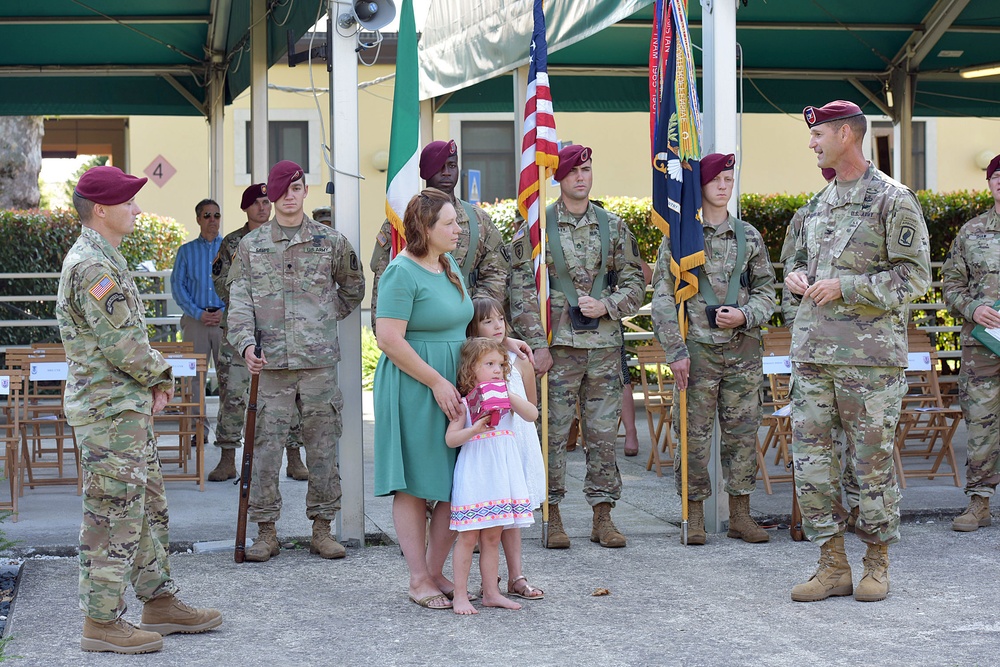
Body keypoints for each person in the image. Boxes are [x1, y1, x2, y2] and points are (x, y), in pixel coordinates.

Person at [57, 165, 222, 655]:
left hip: (123, 410)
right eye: (129, 201)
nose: (137, 208)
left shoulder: (106, 256)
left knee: (146, 507)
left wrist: (148, 386)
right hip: (109, 413)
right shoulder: (91, 266)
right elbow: (125, 344)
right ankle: (102, 621)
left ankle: (158, 600)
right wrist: (161, 376)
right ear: (102, 210)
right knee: (113, 513)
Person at [785, 100, 931, 603]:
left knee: (869, 465)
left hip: (868, 363)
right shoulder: (817, 204)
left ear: (846, 134)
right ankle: (832, 565)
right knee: (811, 462)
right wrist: (797, 277)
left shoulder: (893, 199)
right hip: (814, 357)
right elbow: (796, 265)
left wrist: (845, 287)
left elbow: (915, 277)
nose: (812, 143)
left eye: (818, 134)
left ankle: (876, 563)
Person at [226, 160, 365, 562]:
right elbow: (239, 303)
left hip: (318, 364)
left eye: (298, 187)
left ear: (306, 191)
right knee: (265, 450)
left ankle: (322, 529)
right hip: (269, 367)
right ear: (270, 194)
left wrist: (322, 319)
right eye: (282, 188)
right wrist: (245, 345)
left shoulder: (331, 242)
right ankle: (266, 532)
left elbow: (353, 288)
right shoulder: (250, 247)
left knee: (322, 448)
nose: (290, 195)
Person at [509, 144, 645, 549]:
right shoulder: (537, 228)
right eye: (573, 172)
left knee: (604, 435)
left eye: (587, 170)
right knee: (550, 435)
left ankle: (603, 517)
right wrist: (537, 345)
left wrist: (609, 304)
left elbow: (636, 283)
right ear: (558, 178)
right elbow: (521, 290)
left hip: (603, 347)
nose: (582, 178)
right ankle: (552, 515)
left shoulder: (614, 226)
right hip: (558, 350)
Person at [651, 153, 776, 546]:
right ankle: (694, 515)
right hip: (698, 352)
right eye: (716, 180)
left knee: (742, 435)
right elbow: (662, 297)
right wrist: (676, 350)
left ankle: (740, 514)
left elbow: (769, 292)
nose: (724, 186)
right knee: (693, 436)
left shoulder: (748, 235)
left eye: (729, 178)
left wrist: (746, 315)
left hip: (742, 352)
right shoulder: (681, 236)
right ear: (700, 186)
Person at [373, 188, 472, 611]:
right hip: (415, 385)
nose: (457, 229)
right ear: (424, 229)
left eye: (457, 222)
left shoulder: (449, 265)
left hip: (454, 383)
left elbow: (462, 324)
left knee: (457, 481)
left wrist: (507, 344)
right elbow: (388, 338)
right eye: (449, 224)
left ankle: (434, 571)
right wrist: (435, 381)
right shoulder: (401, 271)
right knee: (414, 484)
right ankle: (417, 579)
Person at [208, 184, 308, 483]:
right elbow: (222, 283)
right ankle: (227, 457)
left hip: (280, 330)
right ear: (245, 208)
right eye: (256, 203)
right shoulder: (233, 242)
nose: (263, 208)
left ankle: (294, 456)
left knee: (289, 394)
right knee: (233, 394)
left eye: (267, 202)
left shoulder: (289, 237)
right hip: (239, 331)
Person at [369, 139, 509, 330]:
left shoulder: (478, 219)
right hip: (421, 323)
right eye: (439, 166)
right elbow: (384, 274)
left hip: (470, 322)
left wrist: (479, 311)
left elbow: (497, 270)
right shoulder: (403, 221)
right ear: (426, 171)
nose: (446, 172)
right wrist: (382, 328)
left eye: (452, 165)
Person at [447, 337, 538, 615]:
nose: (497, 369)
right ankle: (460, 595)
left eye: (500, 364)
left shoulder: (508, 397)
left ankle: (491, 592)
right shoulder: (464, 402)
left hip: (502, 474)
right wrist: (474, 429)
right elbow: (451, 439)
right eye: (489, 364)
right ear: (471, 369)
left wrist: (508, 395)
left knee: (492, 537)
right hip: (476, 472)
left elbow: (532, 414)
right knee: (467, 536)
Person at [468, 296, 546, 600]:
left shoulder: (519, 360)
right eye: (487, 321)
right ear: (474, 326)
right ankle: (489, 580)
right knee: (488, 516)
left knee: (513, 513)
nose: (497, 325)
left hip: (518, 442)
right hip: (487, 446)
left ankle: (517, 576)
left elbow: (532, 406)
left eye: (500, 318)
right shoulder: (471, 361)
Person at [942, 153, 1000, 532]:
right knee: (980, 423)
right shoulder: (972, 232)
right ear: (990, 183)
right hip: (983, 347)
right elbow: (950, 284)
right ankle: (978, 503)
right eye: (997, 177)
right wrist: (973, 308)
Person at [171, 198, 224, 370]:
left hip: (224, 322)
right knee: (191, 378)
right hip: (195, 322)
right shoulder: (186, 251)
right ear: (198, 219)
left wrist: (224, 311)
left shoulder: (231, 249)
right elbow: (177, 286)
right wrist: (197, 313)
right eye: (207, 215)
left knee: (229, 379)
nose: (212, 220)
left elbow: (239, 285)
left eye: (216, 215)